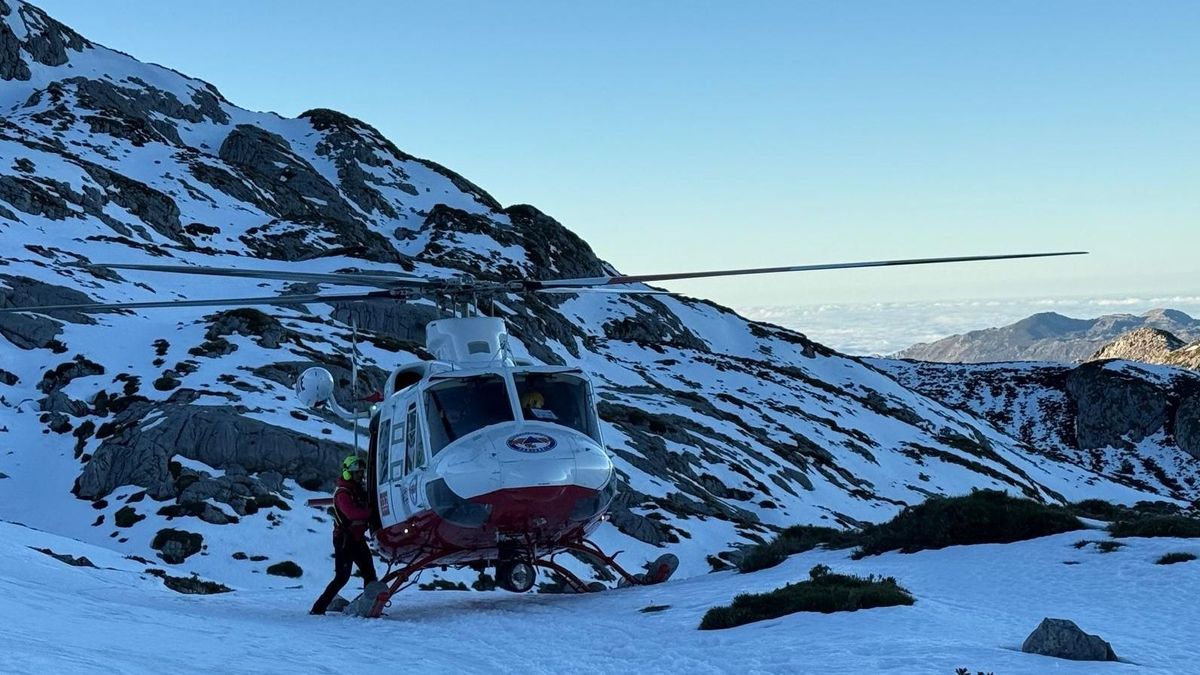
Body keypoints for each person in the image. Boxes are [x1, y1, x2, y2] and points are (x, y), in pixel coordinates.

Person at [309, 454, 378, 615]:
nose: (361, 475)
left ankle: (369, 606)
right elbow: (352, 514)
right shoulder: (343, 494)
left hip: (356, 538)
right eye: (358, 473)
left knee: (369, 574)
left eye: (361, 472)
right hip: (345, 541)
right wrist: (370, 513)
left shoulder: (356, 491)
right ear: (349, 473)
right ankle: (318, 608)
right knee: (342, 577)